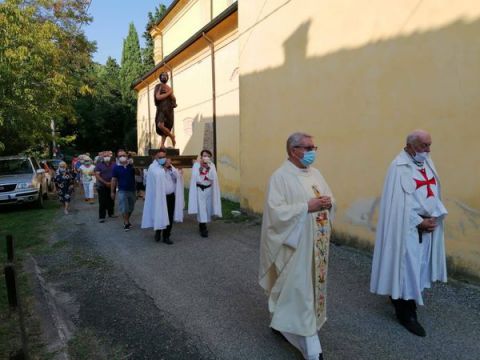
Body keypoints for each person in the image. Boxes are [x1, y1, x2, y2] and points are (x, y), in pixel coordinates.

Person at [259, 132, 334, 360]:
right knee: (300, 292)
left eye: (314, 147)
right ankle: (312, 349)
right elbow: (275, 213)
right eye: (308, 147)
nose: (313, 151)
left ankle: (281, 323)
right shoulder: (280, 177)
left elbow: (327, 196)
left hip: (317, 244)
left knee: (308, 290)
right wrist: (306, 207)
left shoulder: (316, 174)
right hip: (295, 247)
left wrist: (330, 203)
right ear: (294, 150)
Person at [370, 129, 448, 337]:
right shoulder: (399, 167)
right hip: (407, 229)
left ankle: (402, 297)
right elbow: (398, 206)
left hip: (427, 225)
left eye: (429, 145)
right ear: (411, 146)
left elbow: (432, 192)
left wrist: (434, 215)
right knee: (406, 267)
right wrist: (419, 221)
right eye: (424, 146)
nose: (428, 150)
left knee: (419, 266)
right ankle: (406, 312)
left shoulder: (427, 162)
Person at [141, 148, 184, 244]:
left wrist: (173, 169)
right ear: (156, 157)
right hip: (160, 197)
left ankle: (166, 236)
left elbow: (177, 177)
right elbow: (157, 176)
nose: (162, 158)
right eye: (160, 157)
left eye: (164, 157)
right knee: (160, 214)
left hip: (170, 196)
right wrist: (165, 167)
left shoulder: (170, 166)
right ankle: (158, 231)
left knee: (169, 216)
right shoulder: (153, 167)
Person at [188, 149, 222, 237]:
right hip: (200, 189)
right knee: (201, 208)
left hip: (209, 189)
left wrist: (207, 169)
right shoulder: (196, 165)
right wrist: (202, 170)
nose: (205, 157)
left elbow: (212, 177)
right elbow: (196, 178)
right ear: (201, 157)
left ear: (210, 157)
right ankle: (203, 228)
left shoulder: (212, 165)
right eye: (204, 155)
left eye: (207, 156)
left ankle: (202, 223)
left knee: (207, 208)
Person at [111, 150, 136, 231]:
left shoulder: (131, 165)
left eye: (123, 155)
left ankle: (127, 220)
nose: (122, 157)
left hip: (132, 189)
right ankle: (126, 222)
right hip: (122, 190)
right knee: (124, 208)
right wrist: (112, 191)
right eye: (120, 156)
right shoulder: (116, 167)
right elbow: (114, 180)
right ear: (117, 158)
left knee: (131, 208)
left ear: (127, 156)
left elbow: (139, 173)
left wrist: (134, 165)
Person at [154, 72, 177, 148]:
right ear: (160, 77)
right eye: (163, 75)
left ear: (167, 78)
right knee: (160, 125)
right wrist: (169, 93)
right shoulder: (159, 86)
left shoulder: (168, 87)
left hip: (168, 109)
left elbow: (173, 97)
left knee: (166, 126)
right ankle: (172, 136)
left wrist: (174, 102)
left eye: (166, 76)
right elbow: (158, 97)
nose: (164, 77)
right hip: (161, 108)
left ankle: (162, 145)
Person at [95, 151, 115, 223]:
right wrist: (105, 182)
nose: (107, 157)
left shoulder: (114, 164)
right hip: (102, 185)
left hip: (112, 185)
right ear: (102, 157)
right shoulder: (99, 165)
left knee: (111, 199)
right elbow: (97, 175)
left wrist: (112, 183)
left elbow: (116, 174)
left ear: (110, 157)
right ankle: (102, 217)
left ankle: (111, 213)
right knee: (102, 201)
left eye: (108, 156)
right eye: (105, 156)